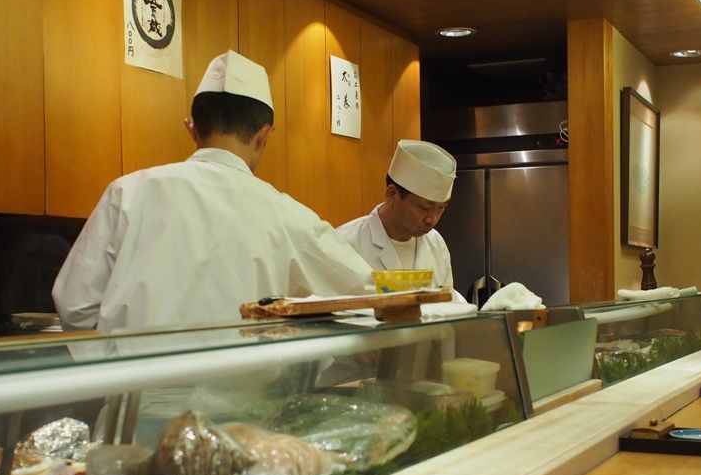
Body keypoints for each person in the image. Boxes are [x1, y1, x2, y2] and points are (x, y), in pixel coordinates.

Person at [53, 49, 373, 331]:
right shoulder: (290, 216)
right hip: (245, 384)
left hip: (134, 382)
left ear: (192, 128)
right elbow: (366, 291)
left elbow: (75, 307)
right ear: (264, 136)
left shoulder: (127, 192)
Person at [337, 139, 463, 300]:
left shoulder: (436, 243)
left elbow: (448, 303)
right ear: (392, 194)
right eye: (424, 207)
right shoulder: (345, 243)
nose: (432, 220)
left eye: (441, 209)